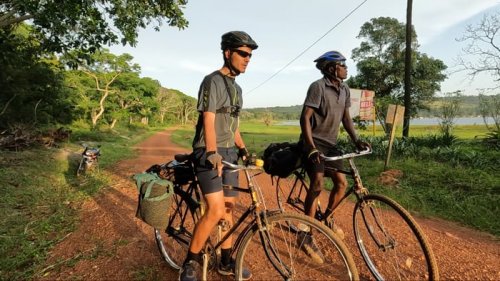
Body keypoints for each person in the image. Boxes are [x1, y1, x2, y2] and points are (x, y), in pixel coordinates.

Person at [179, 31, 258, 281]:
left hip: (230, 153)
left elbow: (234, 127)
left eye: (250, 55)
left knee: (228, 209)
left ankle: (225, 261)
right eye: (243, 54)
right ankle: (190, 262)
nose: (247, 59)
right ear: (228, 53)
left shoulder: (239, 89)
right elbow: (209, 119)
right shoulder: (211, 81)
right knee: (214, 210)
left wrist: (244, 151)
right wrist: (212, 152)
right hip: (208, 151)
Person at [299, 50, 370, 252]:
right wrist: (311, 146)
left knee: (341, 183)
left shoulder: (345, 89)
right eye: (343, 65)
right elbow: (305, 117)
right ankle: (306, 232)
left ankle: (327, 218)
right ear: (332, 68)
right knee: (318, 183)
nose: (346, 68)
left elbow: (346, 118)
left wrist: (357, 140)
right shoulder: (318, 87)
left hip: (330, 143)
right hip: (313, 142)